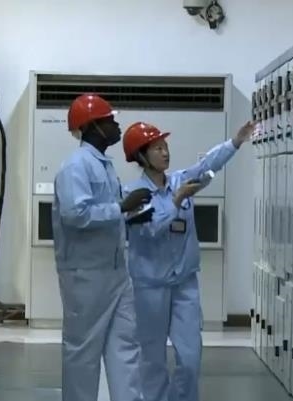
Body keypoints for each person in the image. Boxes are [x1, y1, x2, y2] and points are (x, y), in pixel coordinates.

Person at [121, 120, 255, 401]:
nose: (165, 152)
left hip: (184, 284)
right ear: (141, 156)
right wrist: (176, 202)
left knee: (191, 357)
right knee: (152, 358)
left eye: (165, 147)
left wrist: (236, 142)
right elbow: (150, 229)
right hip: (150, 287)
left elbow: (208, 165)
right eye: (158, 148)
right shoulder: (133, 195)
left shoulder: (180, 181)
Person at [52, 93, 155, 401]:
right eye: (109, 120)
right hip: (86, 275)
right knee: (83, 350)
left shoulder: (104, 165)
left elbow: (104, 212)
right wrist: (121, 207)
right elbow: (75, 214)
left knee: (125, 345)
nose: (116, 125)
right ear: (92, 126)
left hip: (115, 271)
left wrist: (128, 217)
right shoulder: (75, 167)